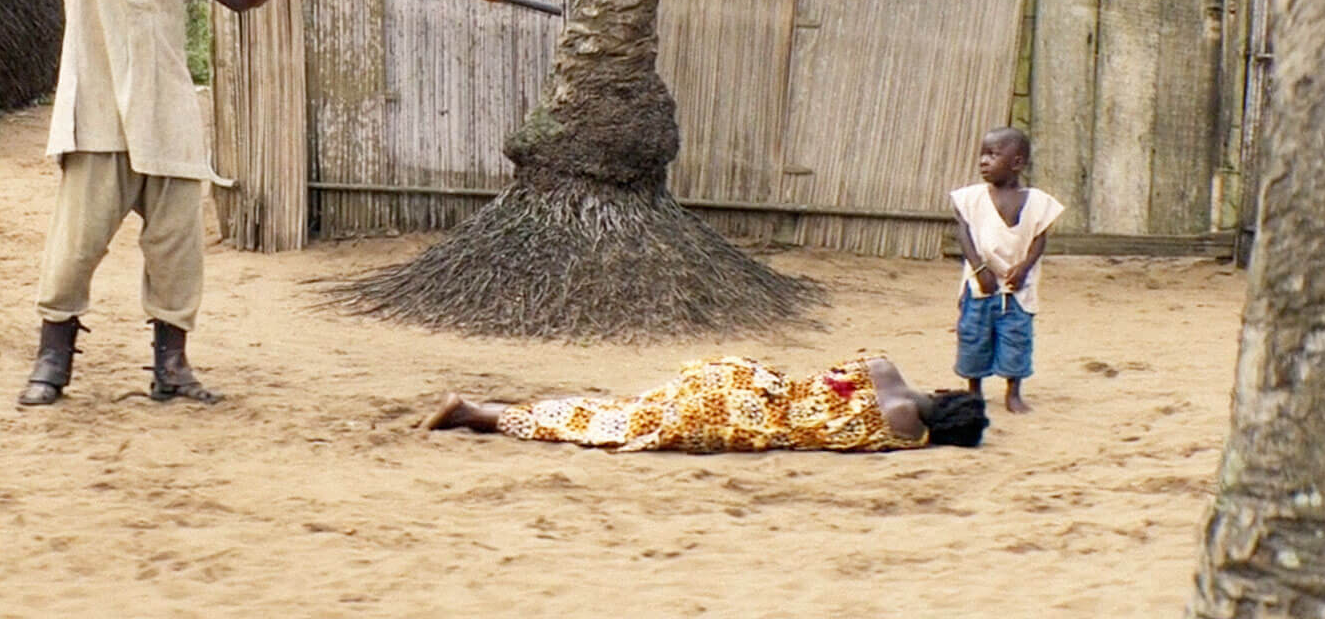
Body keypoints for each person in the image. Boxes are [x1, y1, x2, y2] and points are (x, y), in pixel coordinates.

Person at [17, 0, 343, 408]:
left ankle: (172, 368)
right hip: (96, 110)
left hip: (167, 111)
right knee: (74, 248)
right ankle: (51, 362)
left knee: (176, 252)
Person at [422, 355, 987, 452]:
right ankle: (480, 414)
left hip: (744, 382)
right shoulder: (905, 430)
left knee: (620, 406)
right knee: (615, 425)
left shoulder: (884, 369)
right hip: (740, 420)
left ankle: (485, 410)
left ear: (941, 392)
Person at [951, 126, 1064, 414]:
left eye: (993, 155)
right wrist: (979, 268)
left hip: (1017, 287)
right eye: (982, 155)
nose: (983, 162)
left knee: (1016, 337)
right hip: (980, 285)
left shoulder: (1038, 202)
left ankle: (1013, 393)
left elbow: (1039, 240)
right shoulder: (971, 199)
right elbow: (964, 234)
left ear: (1016, 163)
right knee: (974, 336)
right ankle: (974, 390)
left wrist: (1024, 268)